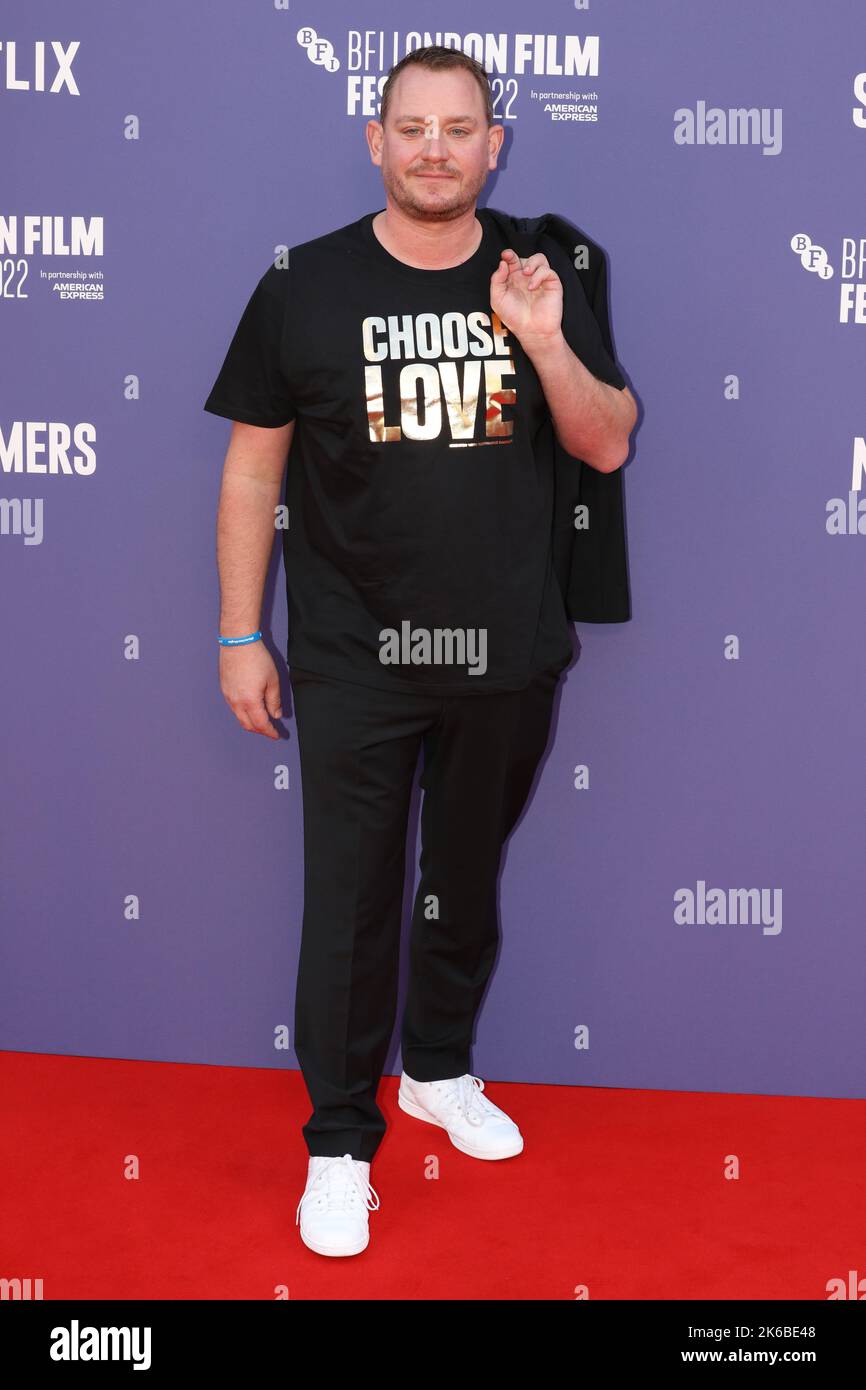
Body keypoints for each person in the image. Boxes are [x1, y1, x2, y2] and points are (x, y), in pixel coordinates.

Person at [203, 45, 637, 1259]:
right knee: (348, 900)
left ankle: (438, 1069)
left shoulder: (538, 272)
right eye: (412, 127)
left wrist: (544, 342)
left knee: (461, 872)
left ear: (493, 145)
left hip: (503, 645)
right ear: (375, 140)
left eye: (459, 128)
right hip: (354, 654)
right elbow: (252, 465)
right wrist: (243, 632)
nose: (434, 148)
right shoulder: (305, 284)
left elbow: (604, 446)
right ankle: (339, 1142)